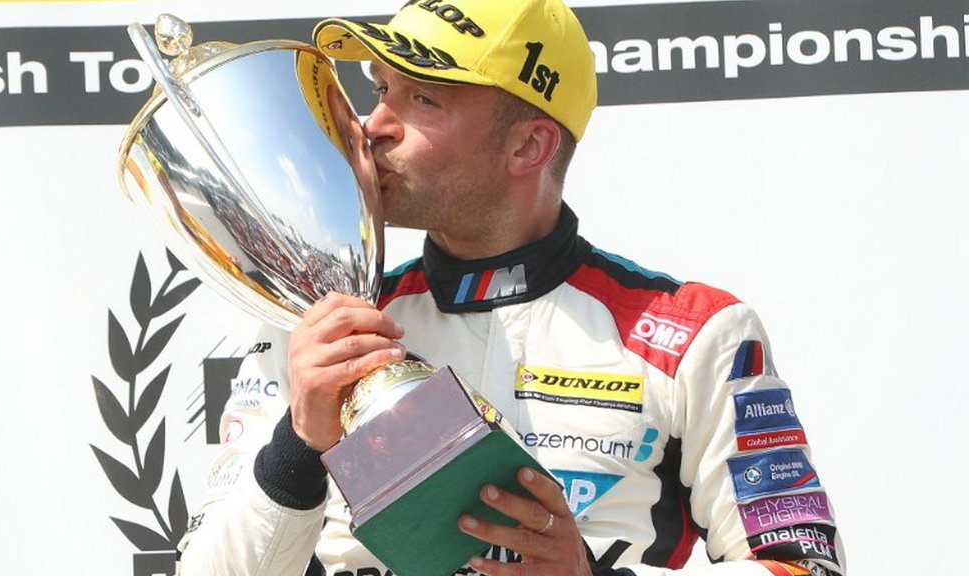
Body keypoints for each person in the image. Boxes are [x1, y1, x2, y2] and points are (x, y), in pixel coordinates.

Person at [177, 1, 846, 575]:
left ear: (528, 148)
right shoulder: (321, 331)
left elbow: (803, 564)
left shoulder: (696, 334)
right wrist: (299, 447)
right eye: (381, 89)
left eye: (423, 99)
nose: (375, 125)